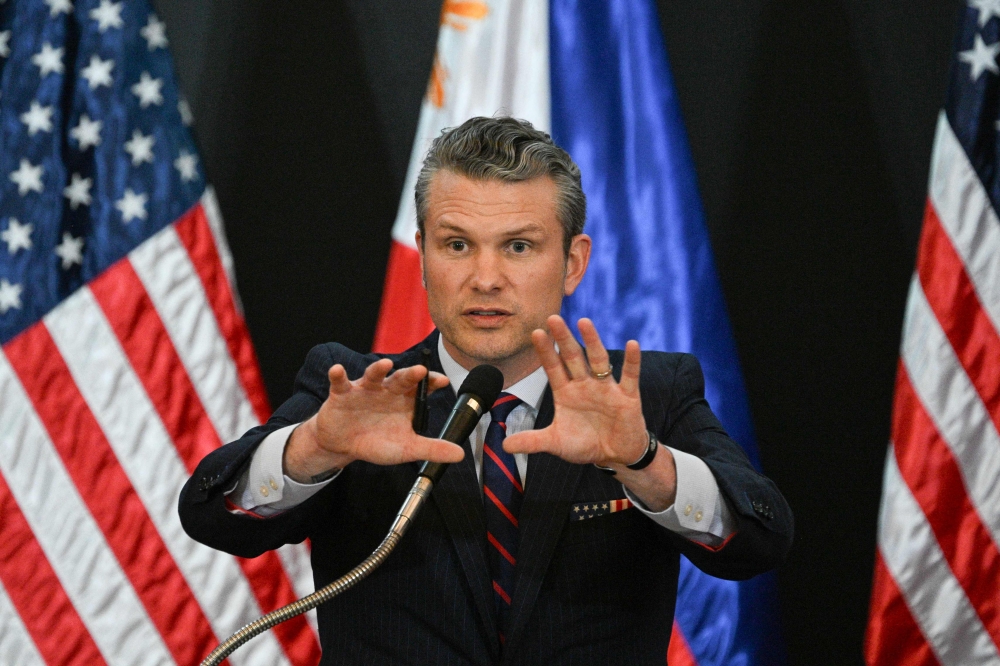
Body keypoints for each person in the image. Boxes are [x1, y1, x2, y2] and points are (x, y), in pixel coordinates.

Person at [179, 116, 793, 665]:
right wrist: (315, 448)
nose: (486, 278)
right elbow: (214, 517)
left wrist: (644, 463)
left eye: (518, 247)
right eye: (456, 245)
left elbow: (759, 540)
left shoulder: (648, 395)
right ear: (421, 255)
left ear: (574, 262)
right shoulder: (364, 394)